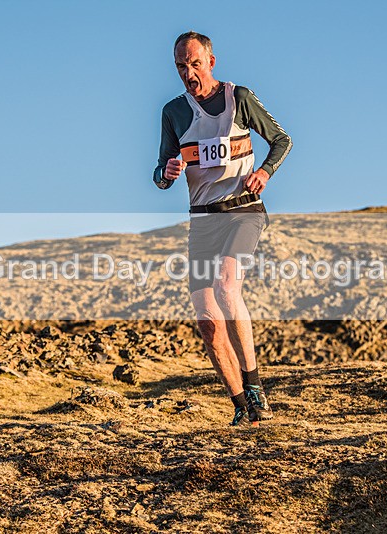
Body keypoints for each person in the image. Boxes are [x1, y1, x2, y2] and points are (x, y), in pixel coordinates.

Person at [153, 31, 292, 426]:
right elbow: (159, 174)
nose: (188, 72)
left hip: (243, 210)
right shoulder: (173, 112)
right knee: (207, 322)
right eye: (181, 66)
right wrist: (167, 172)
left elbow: (282, 140)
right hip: (203, 219)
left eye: (195, 63)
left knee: (227, 285)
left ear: (211, 62)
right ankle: (240, 406)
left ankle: (256, 389)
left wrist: (264, 172)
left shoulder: (239, 98)